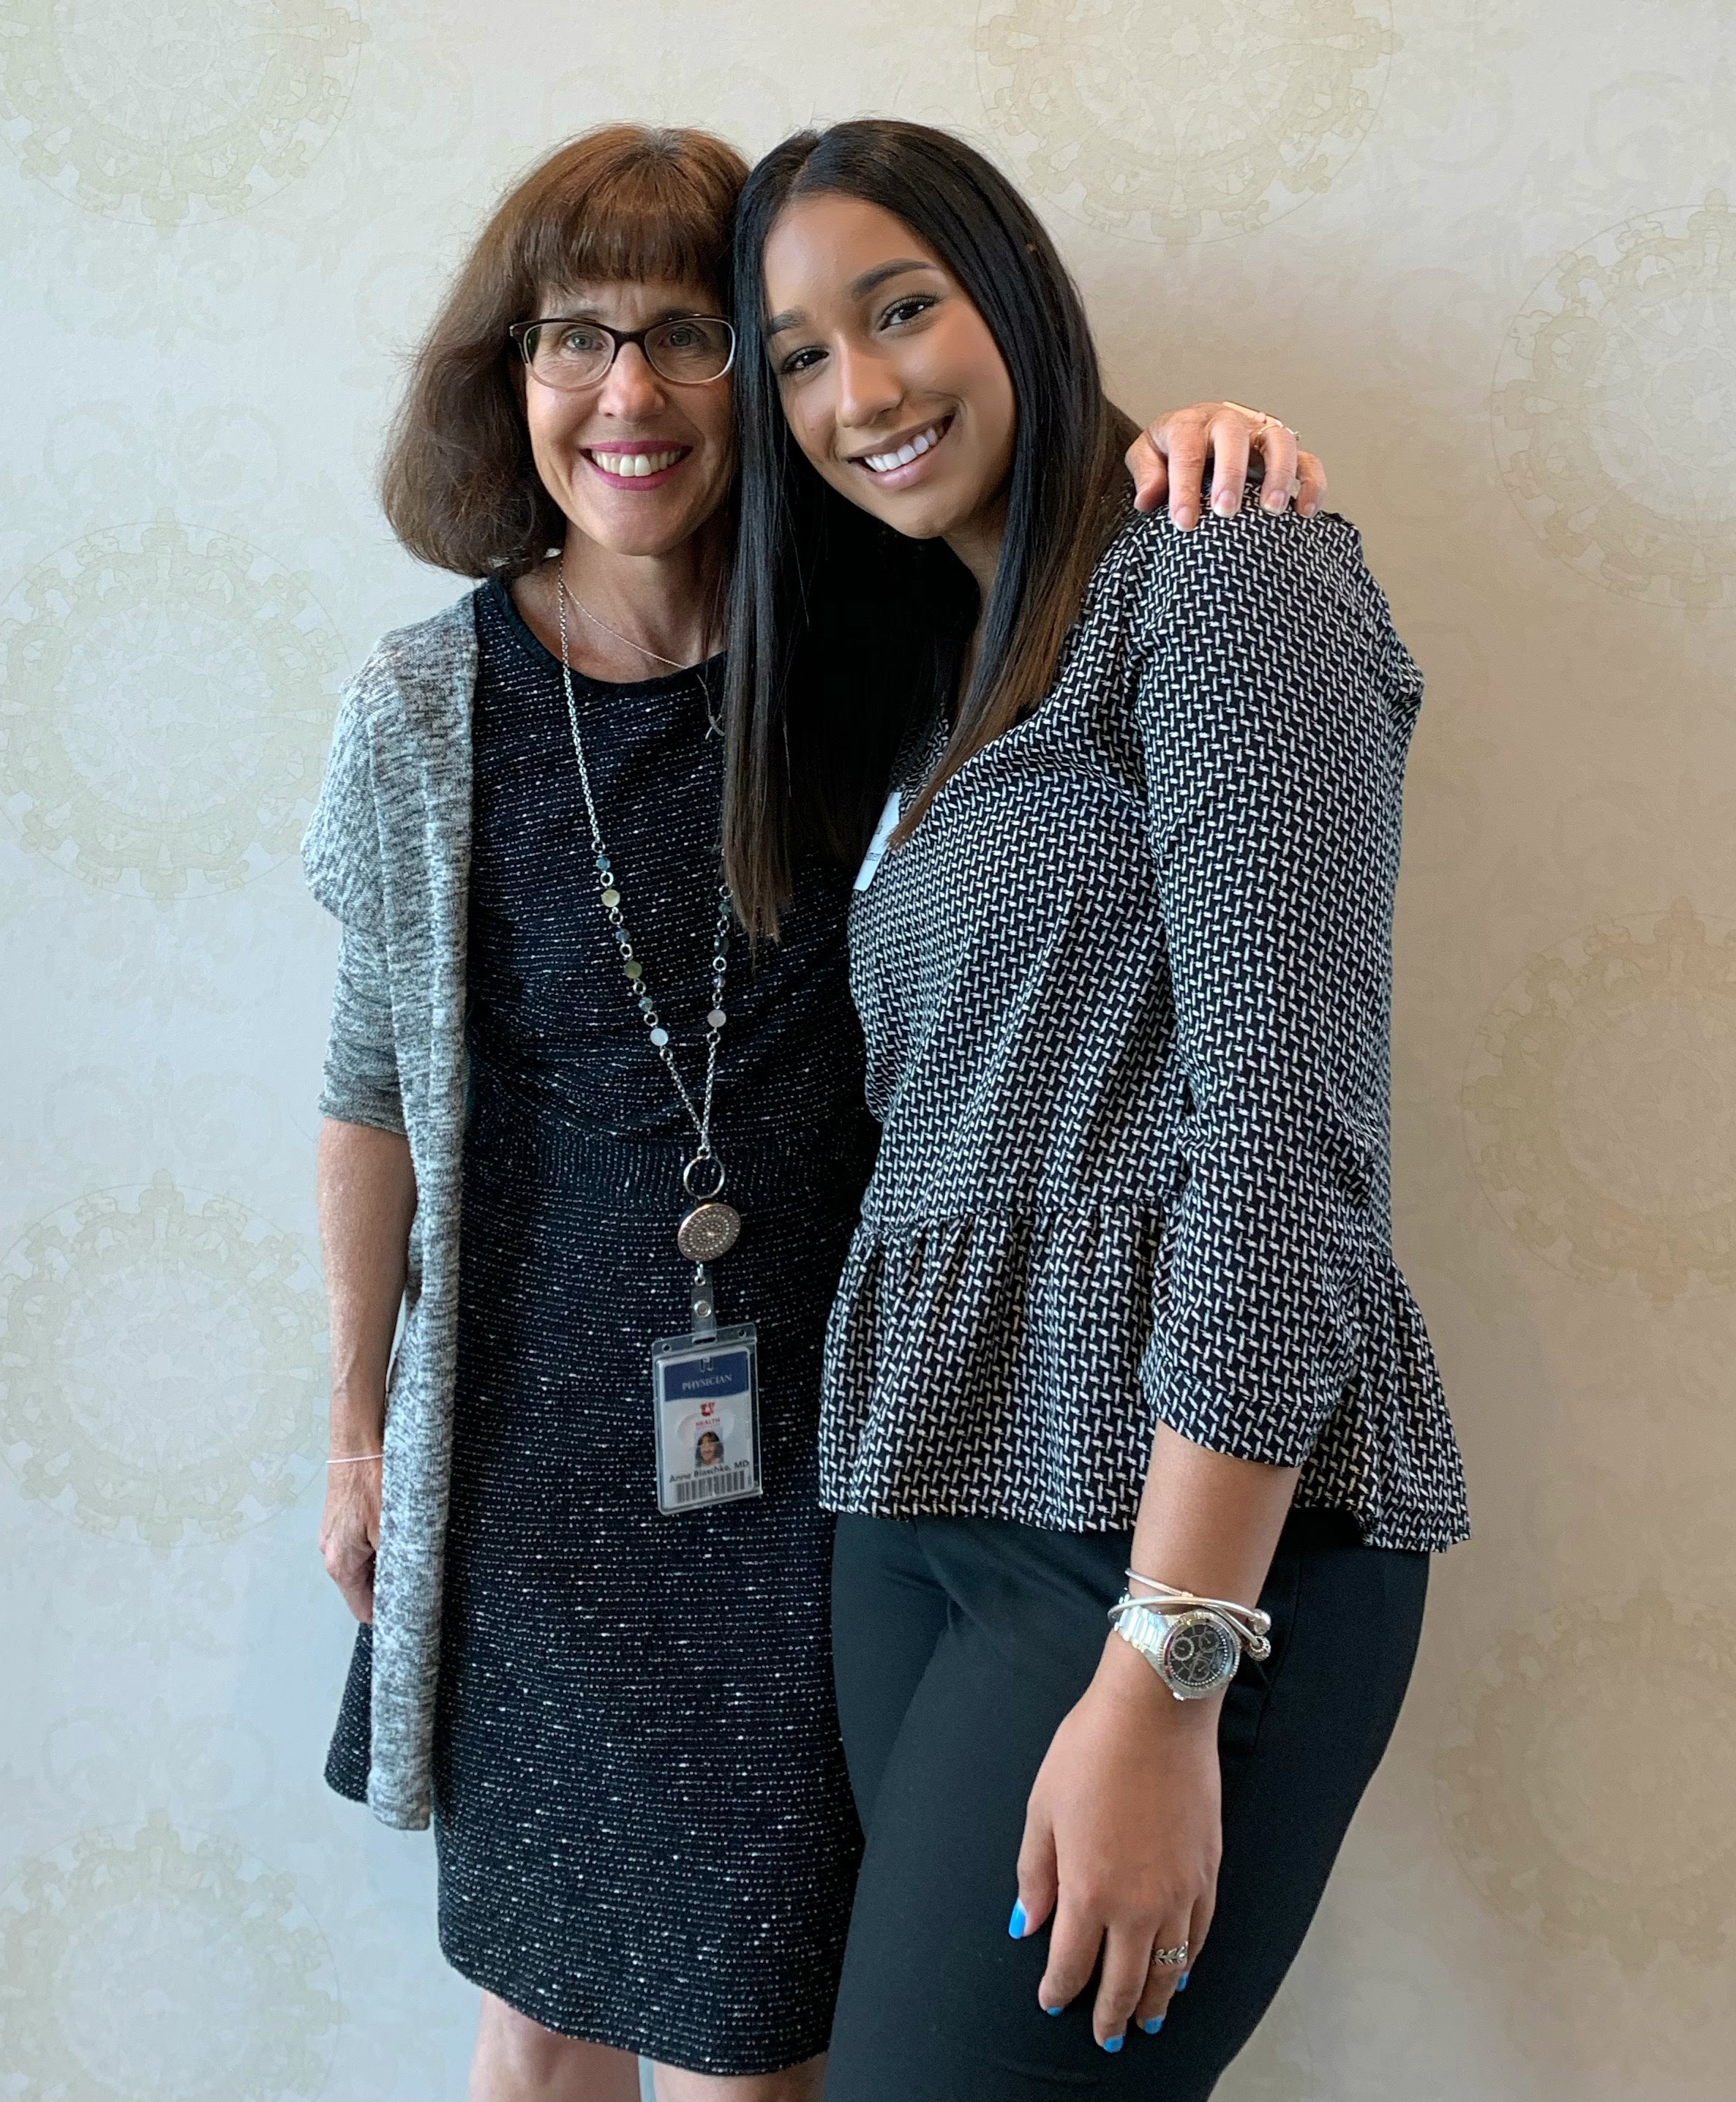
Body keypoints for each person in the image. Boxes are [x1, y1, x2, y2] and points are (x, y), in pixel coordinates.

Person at [306, 121, 1331, 2102]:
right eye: (573, 337)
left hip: (831, 1463)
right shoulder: (426, 711)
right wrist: (358, 1428)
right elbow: (365, 1083)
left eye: (690, 338)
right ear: (500, 380)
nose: (625, 395)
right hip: (526, 1459)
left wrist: (1209, 444)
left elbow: (1074, 569)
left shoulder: (888, 649)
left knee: (754, 2034)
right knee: (531, 2008)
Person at [724, 119, 1470, 2101]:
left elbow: (1290, 1130)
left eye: (901, 309)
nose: (861, 392)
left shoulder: (1229, 572)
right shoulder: (932, 684)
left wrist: (1170, 1652)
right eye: (797, 353)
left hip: (1160, 1535)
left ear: (1019, 297)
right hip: (920, 1509)